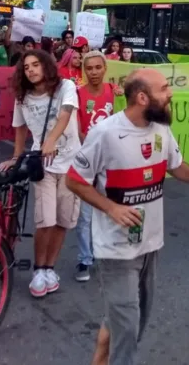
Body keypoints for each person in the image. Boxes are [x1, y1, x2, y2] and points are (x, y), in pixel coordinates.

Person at [66, 68, 189, 365]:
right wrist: (112, 208)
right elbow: (74, 180)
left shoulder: (161, 129)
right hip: (116, 250)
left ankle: (100, 355)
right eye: (164, 89)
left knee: (135, 317)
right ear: (142, 97)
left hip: (150, 244)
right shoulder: (106, 133)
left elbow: (175, 165)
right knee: (128, 330)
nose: (170, 93)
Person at [0, 50, 80, 298]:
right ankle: (38, 269)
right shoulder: (23, 97)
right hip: (41, 166)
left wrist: (51, 140)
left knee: (63, 221)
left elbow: (66, 113)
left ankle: (49, 267)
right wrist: (16, 157)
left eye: (35, 65)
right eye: (26, 67)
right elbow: (20, 129)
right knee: (46, 220)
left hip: (71, 164)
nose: (31, 70)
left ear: (46, 66)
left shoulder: (65, 86)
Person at [75, 51, 122, 282]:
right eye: (89, 68)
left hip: (110, 164)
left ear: (105, 69)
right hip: (86, 162)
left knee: (108, 210)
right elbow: (78, 130)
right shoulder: (77, 94)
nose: (93, 72)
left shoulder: (114, 92)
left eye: (97, 67)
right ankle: (85, 259)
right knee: (84, 216)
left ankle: (105, 254)